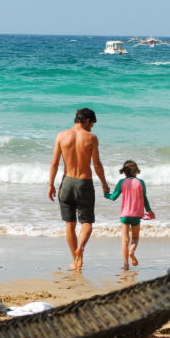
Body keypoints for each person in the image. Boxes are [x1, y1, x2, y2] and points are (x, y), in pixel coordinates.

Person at [48, 108, 110, 270]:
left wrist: (50, 185)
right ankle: (80, 248)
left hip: (66, 183)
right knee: (87, 222)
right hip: (84, 183)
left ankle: (75, 260)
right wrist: (104, 183)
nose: (92, 128)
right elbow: (96, 165)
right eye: (92, 124)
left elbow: (54, 163)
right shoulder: (91, 138)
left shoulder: (61, 136)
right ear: (87, 120)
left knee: (70, 224)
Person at [104, 160, 155, 270]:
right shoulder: (141, 182)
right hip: (137, 215)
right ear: (136, 170)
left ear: (125, 172)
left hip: (125, 215)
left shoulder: (122, 182)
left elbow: (113, 197)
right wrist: (150, 211)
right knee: (135, 238)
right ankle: (132, 251)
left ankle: (126, 265)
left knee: (125, 240)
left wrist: (105, 193)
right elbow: (144, 198)